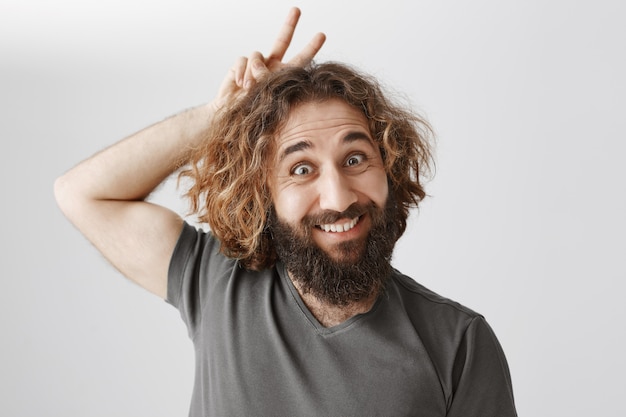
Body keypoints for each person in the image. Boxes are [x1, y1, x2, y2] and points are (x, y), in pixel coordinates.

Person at [54, 7, 517, 417]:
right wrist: (220, 116)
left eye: (355, 159)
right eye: (300, 168)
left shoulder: (459, 343)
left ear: (389, 169)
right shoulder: (215, 281)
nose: (337, 198)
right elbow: (81, 195)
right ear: (264, 192)